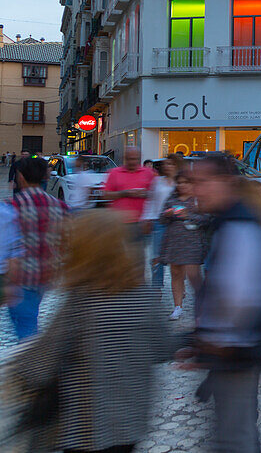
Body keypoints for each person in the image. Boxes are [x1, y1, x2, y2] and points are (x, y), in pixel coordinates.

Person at [7, 209, 174, 453]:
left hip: (87, 428)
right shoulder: (144, 297)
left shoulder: (82, 302)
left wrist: (18, 372)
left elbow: (43, 362)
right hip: (130, 424)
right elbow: (161, 348)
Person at [186, 154, 261, 453]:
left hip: (238, 350)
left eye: (203, 182)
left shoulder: (238, 225)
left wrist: (213, 341)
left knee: (236, 438)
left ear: (225, 183)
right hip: (232, 350)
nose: (196, 190)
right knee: (236, 433)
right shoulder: (227, 220)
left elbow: (240, 297)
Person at [8, 157, 68, 340]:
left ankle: (33, 362)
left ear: (20, 177)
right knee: (26, 317)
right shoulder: (61, 207)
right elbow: (68, 242)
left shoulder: (11, 207)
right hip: (48, 274)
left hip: (20, 275)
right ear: (46, 178)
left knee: (25, 326)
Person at [161, 171, 206, 321]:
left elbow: (206, 219)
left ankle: (201, 306)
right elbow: (161, 219)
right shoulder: (172, 199)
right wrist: (167, 215)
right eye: (179, 182)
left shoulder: (198, 200)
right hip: (175, 241)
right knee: (175, 273)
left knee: (194, 275)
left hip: (192, 241)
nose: (182, 186)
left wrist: (189, 216)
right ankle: (177, 306)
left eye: (186, 182)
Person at [144, 157, 179, 291]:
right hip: (159, 222)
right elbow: (150, 201)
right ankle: (156, 288)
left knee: (177, 261)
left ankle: (179, 289)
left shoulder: (181, 183)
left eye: (171, 163)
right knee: (156, 258)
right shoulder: (157, 182)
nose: (167, 166)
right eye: (166, 164)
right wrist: (148, 218)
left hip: (177, 223)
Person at [103, 147, 156, 234]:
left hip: (140, 223)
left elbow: (154, 197)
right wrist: (125, 193)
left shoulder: (148, 173)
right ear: (124, 158)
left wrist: (149, 219)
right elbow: (106, 195)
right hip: (118, 223)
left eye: (135, 159)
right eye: (129, 159)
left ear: (140, 158)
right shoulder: (114, 173)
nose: (132, 162)